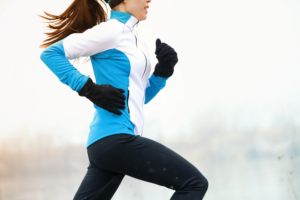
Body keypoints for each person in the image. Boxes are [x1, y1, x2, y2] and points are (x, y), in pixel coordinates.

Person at [39, 0, 209, 199]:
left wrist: (162, 72)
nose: (149, 0)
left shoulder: (135, 40)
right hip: (115, 140)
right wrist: (88, 88)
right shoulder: (111, 31)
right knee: (194, 183)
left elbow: (138, 98)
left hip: (105, 145)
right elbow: (51, 53)